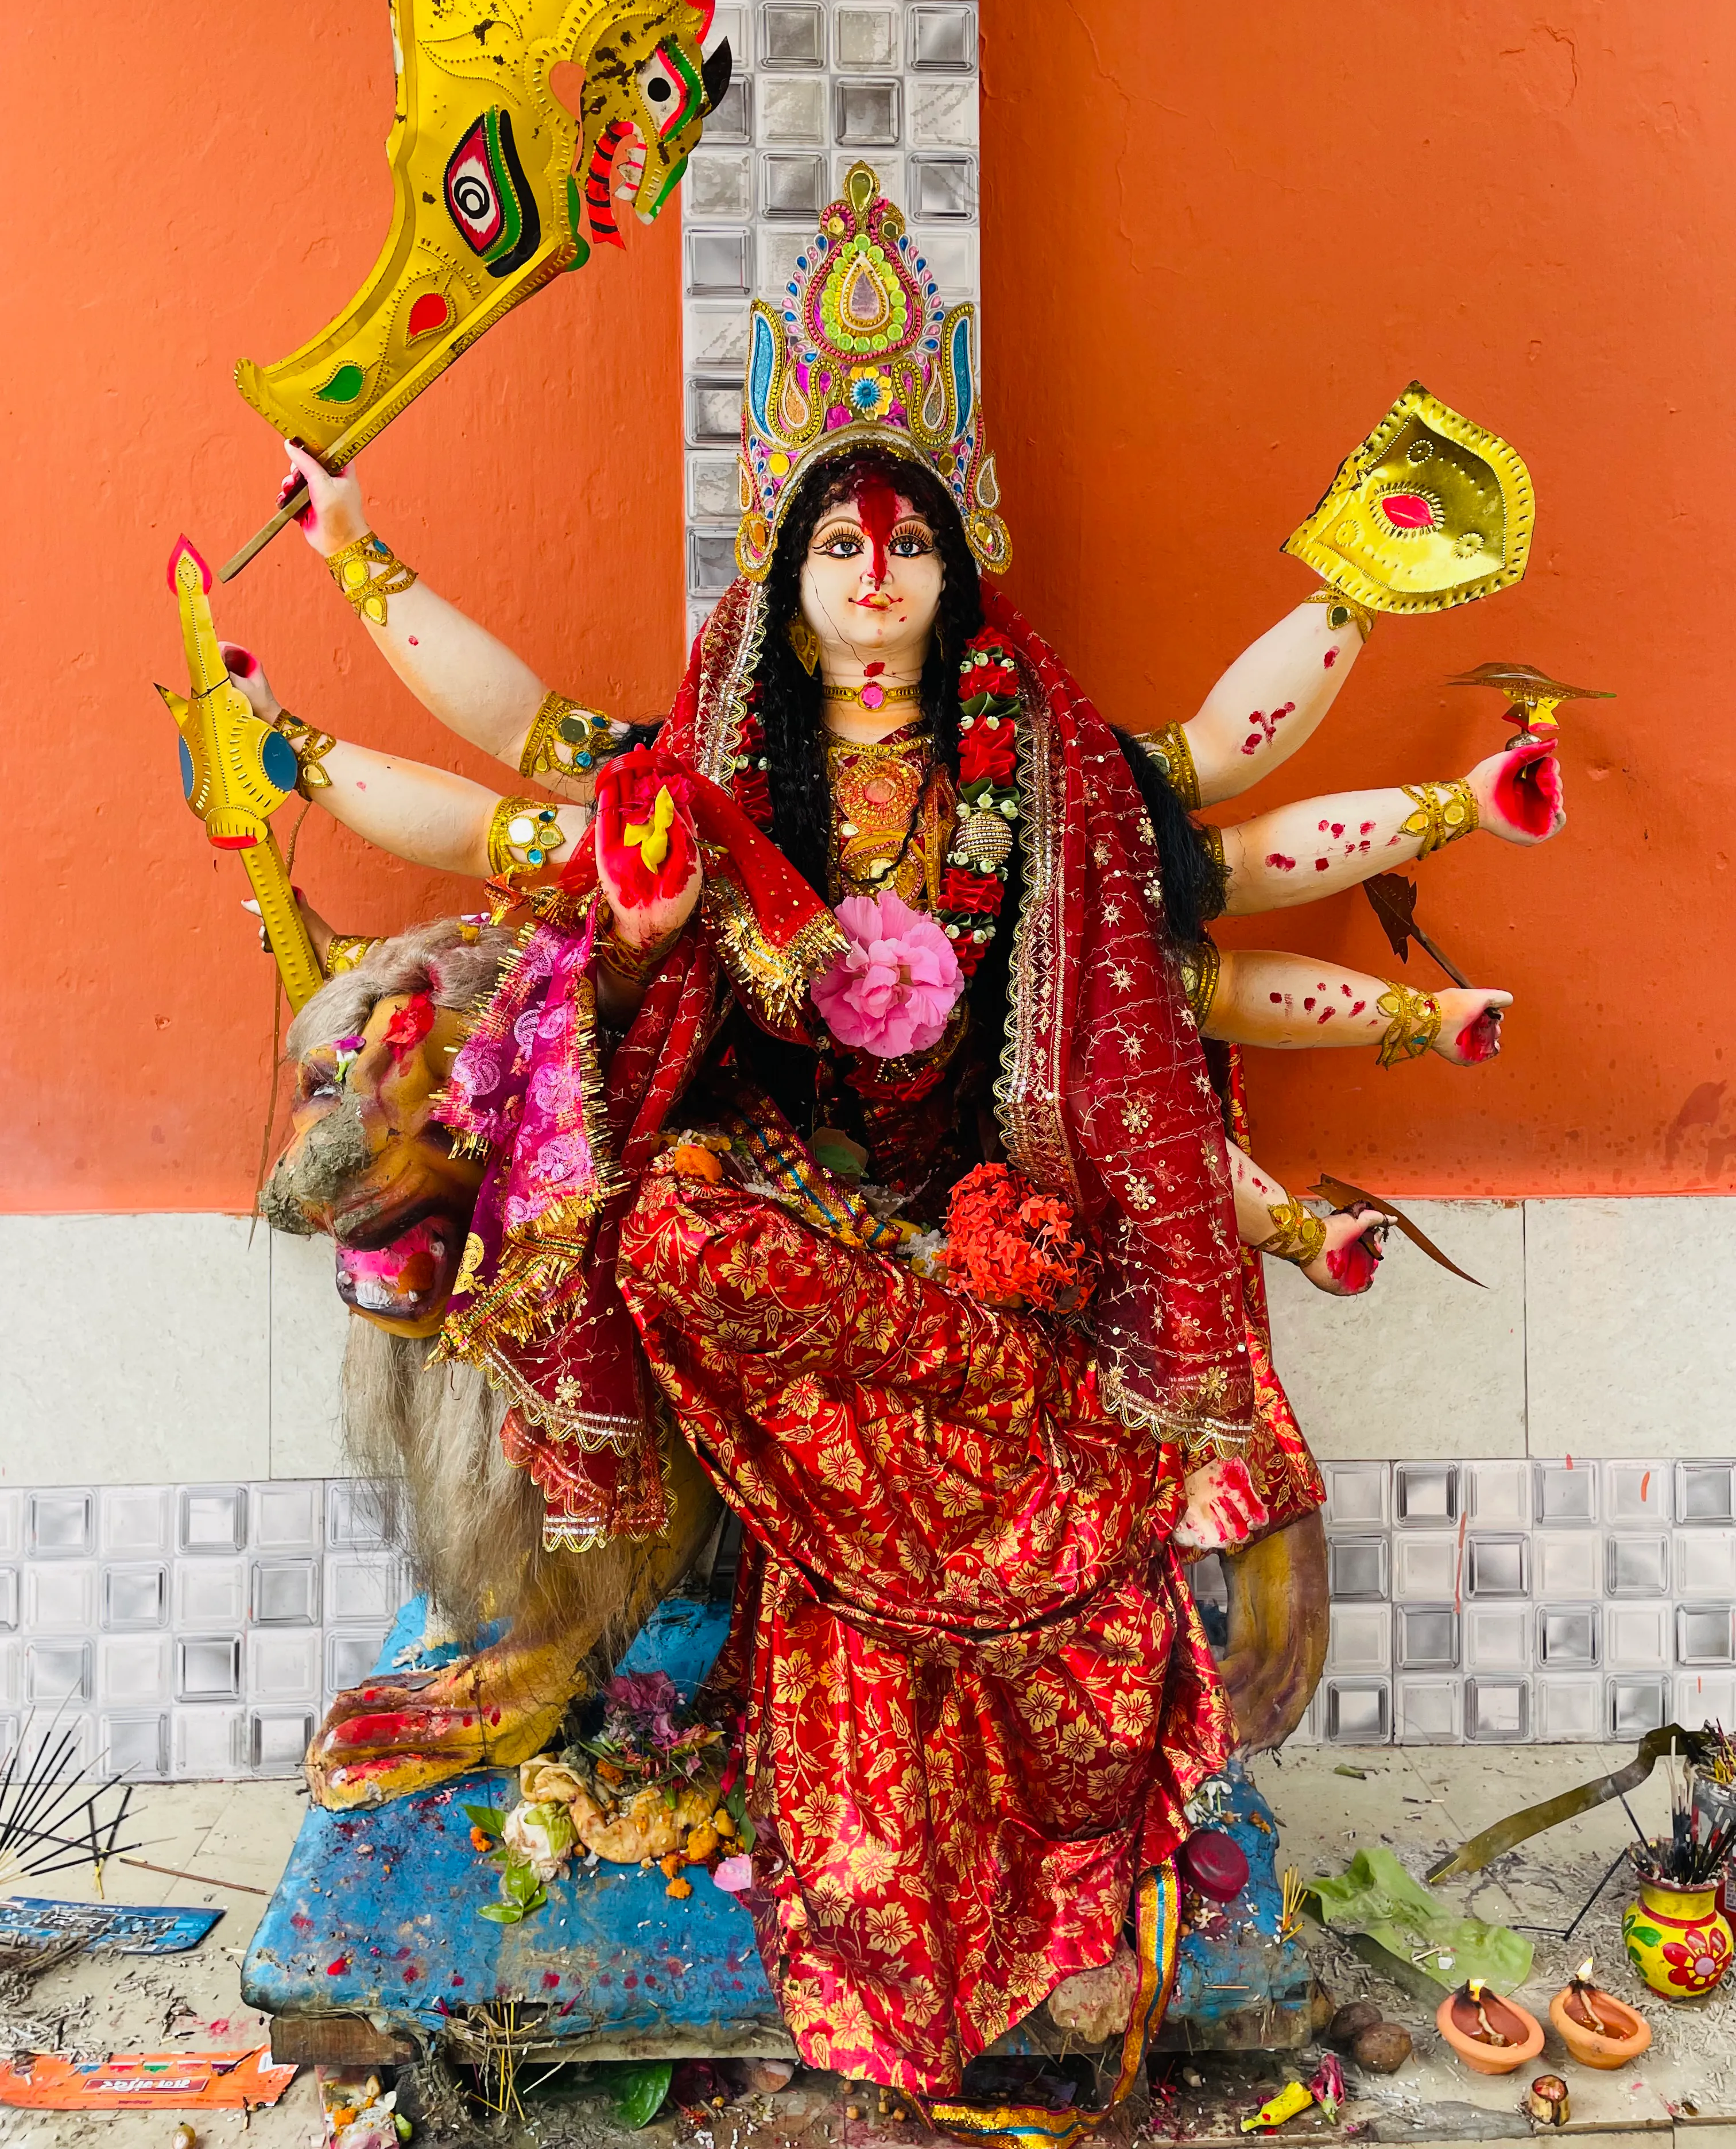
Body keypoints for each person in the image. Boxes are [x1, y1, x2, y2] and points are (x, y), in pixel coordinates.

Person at [227, 163, 1564, 2096]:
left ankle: (1023, 1604)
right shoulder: (718, 773)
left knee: (1075, 1702)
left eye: (904, 534)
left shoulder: (1065, 782)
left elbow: (1142, 1102)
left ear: (957, 561)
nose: (869, 565)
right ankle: (635, 1621)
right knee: (667, 1220)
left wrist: (1252, 1469)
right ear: (785, 575)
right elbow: (616, 1036)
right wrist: (649, 941)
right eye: (832, 536)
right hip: (797, 1258)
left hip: (995, 1251)